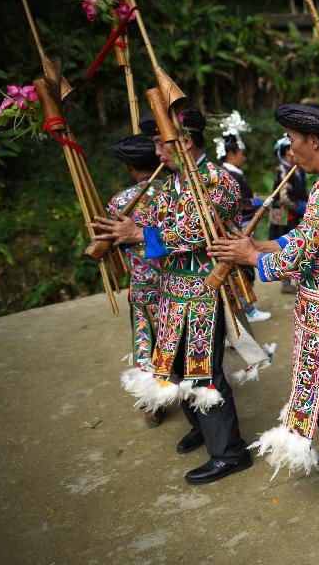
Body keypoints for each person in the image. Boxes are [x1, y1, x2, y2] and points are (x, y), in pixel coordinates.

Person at [208, 103, 319, 516]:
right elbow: (314, 240)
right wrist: (263, 245)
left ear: (313, 141)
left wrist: (250, 256)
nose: (291, 152)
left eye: (293, 142)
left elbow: (296, 261)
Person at [91, 108, 252, 485]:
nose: (155, 152)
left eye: (159, 142)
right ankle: (203, 427)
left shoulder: (219, 181)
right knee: (176, 366)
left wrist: (138, 235)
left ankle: (229, 453)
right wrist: (124, 231)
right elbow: (158, 224)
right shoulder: (171, 183)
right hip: (172, 292)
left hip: (205, 291)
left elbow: (194, 231)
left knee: (205, 372)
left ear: (185, 141)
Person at [107, 132, 165, 428]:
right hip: (172, 282)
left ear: (130, 167)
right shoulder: (172, 194)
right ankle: (178, 382)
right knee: (173, 335)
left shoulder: (119, 202)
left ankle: (150, 403)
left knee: (144, 337)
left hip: (142, 285)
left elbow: (111, 242)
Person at [214, 111, 271, 323]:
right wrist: (255, 202)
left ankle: (245, 308)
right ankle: (247, 309)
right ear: (231, 155)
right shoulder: (231, 176)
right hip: (240, 231)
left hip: (240, 229)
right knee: (244, 270)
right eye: (241, 152)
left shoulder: (228, 174)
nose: (244, 156)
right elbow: (238, 203)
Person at [268, 136, 308, 295]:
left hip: (296, 215)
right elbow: (284, 198)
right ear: (286, 151)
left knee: (298, 245)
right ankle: (285, 282)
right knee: (285, 247)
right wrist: (299, 207)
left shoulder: (299, 169)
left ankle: (299, 279)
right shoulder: (284, 170)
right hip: (284, 218)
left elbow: (301, 192)